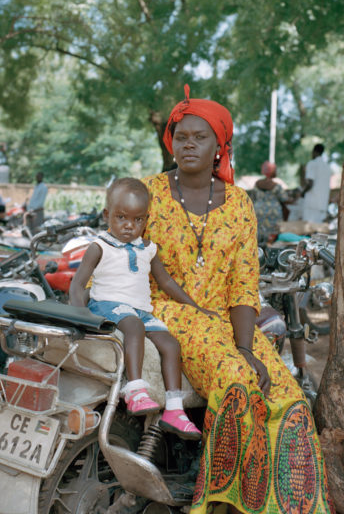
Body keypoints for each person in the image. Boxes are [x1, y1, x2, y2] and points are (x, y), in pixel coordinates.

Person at [142, 85, 334, 514]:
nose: (188, 144)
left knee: (289, 396)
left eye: (200, 137)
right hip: (168, 312)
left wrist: (247, 346)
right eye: (181, 136)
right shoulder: (148, 193)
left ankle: (287, 506)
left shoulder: (239, 204)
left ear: (219, 147)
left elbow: (244, 286)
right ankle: (221, 505)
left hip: (227, 322)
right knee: (237, 383)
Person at [70, 177, 211, 439]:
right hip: (108, 306)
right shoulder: (99, 247)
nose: (129, 226)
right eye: (121, 217)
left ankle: (174, 409)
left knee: (171, 345)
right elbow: (77, 285)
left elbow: (166, 281)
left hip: (140, 311)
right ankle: (135, 390)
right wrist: (78, 319)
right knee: (133, 328)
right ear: (106, 215)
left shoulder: (148, 249)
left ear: (146, 220)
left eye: (137, 220)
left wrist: (195, 306)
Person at [248, 161, 292, 243]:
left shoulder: (257, 184)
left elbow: (252, 198)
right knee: (273, 236)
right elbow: (284, 198)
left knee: (259, 234)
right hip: (274, 212)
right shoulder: (276, 186)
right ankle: (271, 249)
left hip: (258, 211)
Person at [301, 143, 332, 223]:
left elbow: (310, 183)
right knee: (319, 231)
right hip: (323, 203)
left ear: (314, 152)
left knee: (308, 229)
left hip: (312, 203)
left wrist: (302, 193)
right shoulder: (327, 167)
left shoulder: (312, 163)